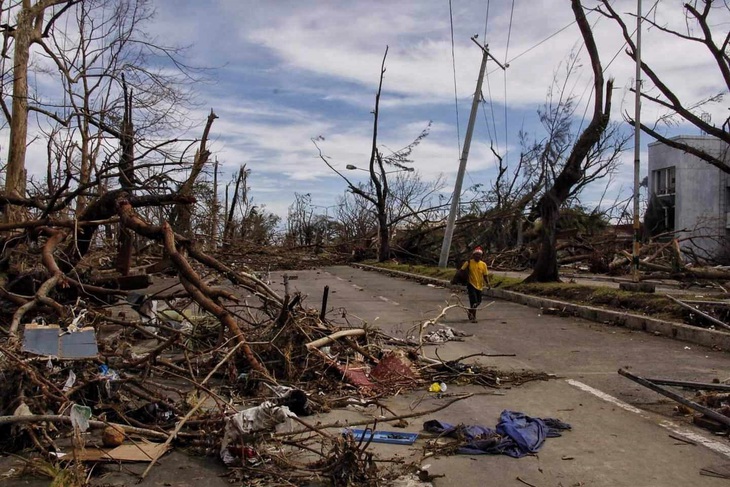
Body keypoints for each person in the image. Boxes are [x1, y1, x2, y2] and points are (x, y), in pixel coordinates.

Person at [460, 246, 490, 322]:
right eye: (476, 255)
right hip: (471, 284)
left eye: (479, 255)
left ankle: (470, 311)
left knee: (479, 301)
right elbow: (461, 271)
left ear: (481, 256)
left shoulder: (483, 264)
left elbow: (485, 275)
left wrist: (488, 283)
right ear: (473, 255)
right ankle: (473, 317)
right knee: (473, 301)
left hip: (479, 286)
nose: (478, 256)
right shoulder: (469, 262)